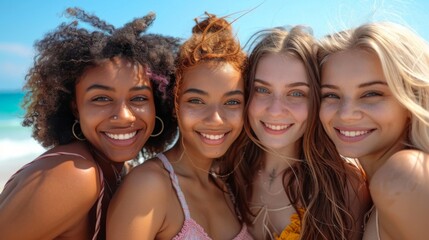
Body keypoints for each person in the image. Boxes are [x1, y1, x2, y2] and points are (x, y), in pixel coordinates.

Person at [0, 7, 179, 240]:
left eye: (138, 98)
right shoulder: (74, 175)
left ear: (158, 105)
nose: (124, 116)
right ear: (75, 107)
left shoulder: (121, 172)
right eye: (101, 98)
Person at [107, 13, 253, 240]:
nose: (215, 119)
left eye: (232, 102)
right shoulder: (148, 186)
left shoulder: (230, 186)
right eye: (196, 100)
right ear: (175, 104)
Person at [223, 26, 370, 240]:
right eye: (262, 89)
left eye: (296, 93)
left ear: (317, 101)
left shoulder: (345, 186)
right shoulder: (223, 173)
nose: (275, 110)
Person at [317, 21, 429, 240]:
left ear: (411, 99)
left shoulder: (405, 175)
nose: (346, 113)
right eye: (330, 95)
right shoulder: (360, 185)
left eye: (371, 94)